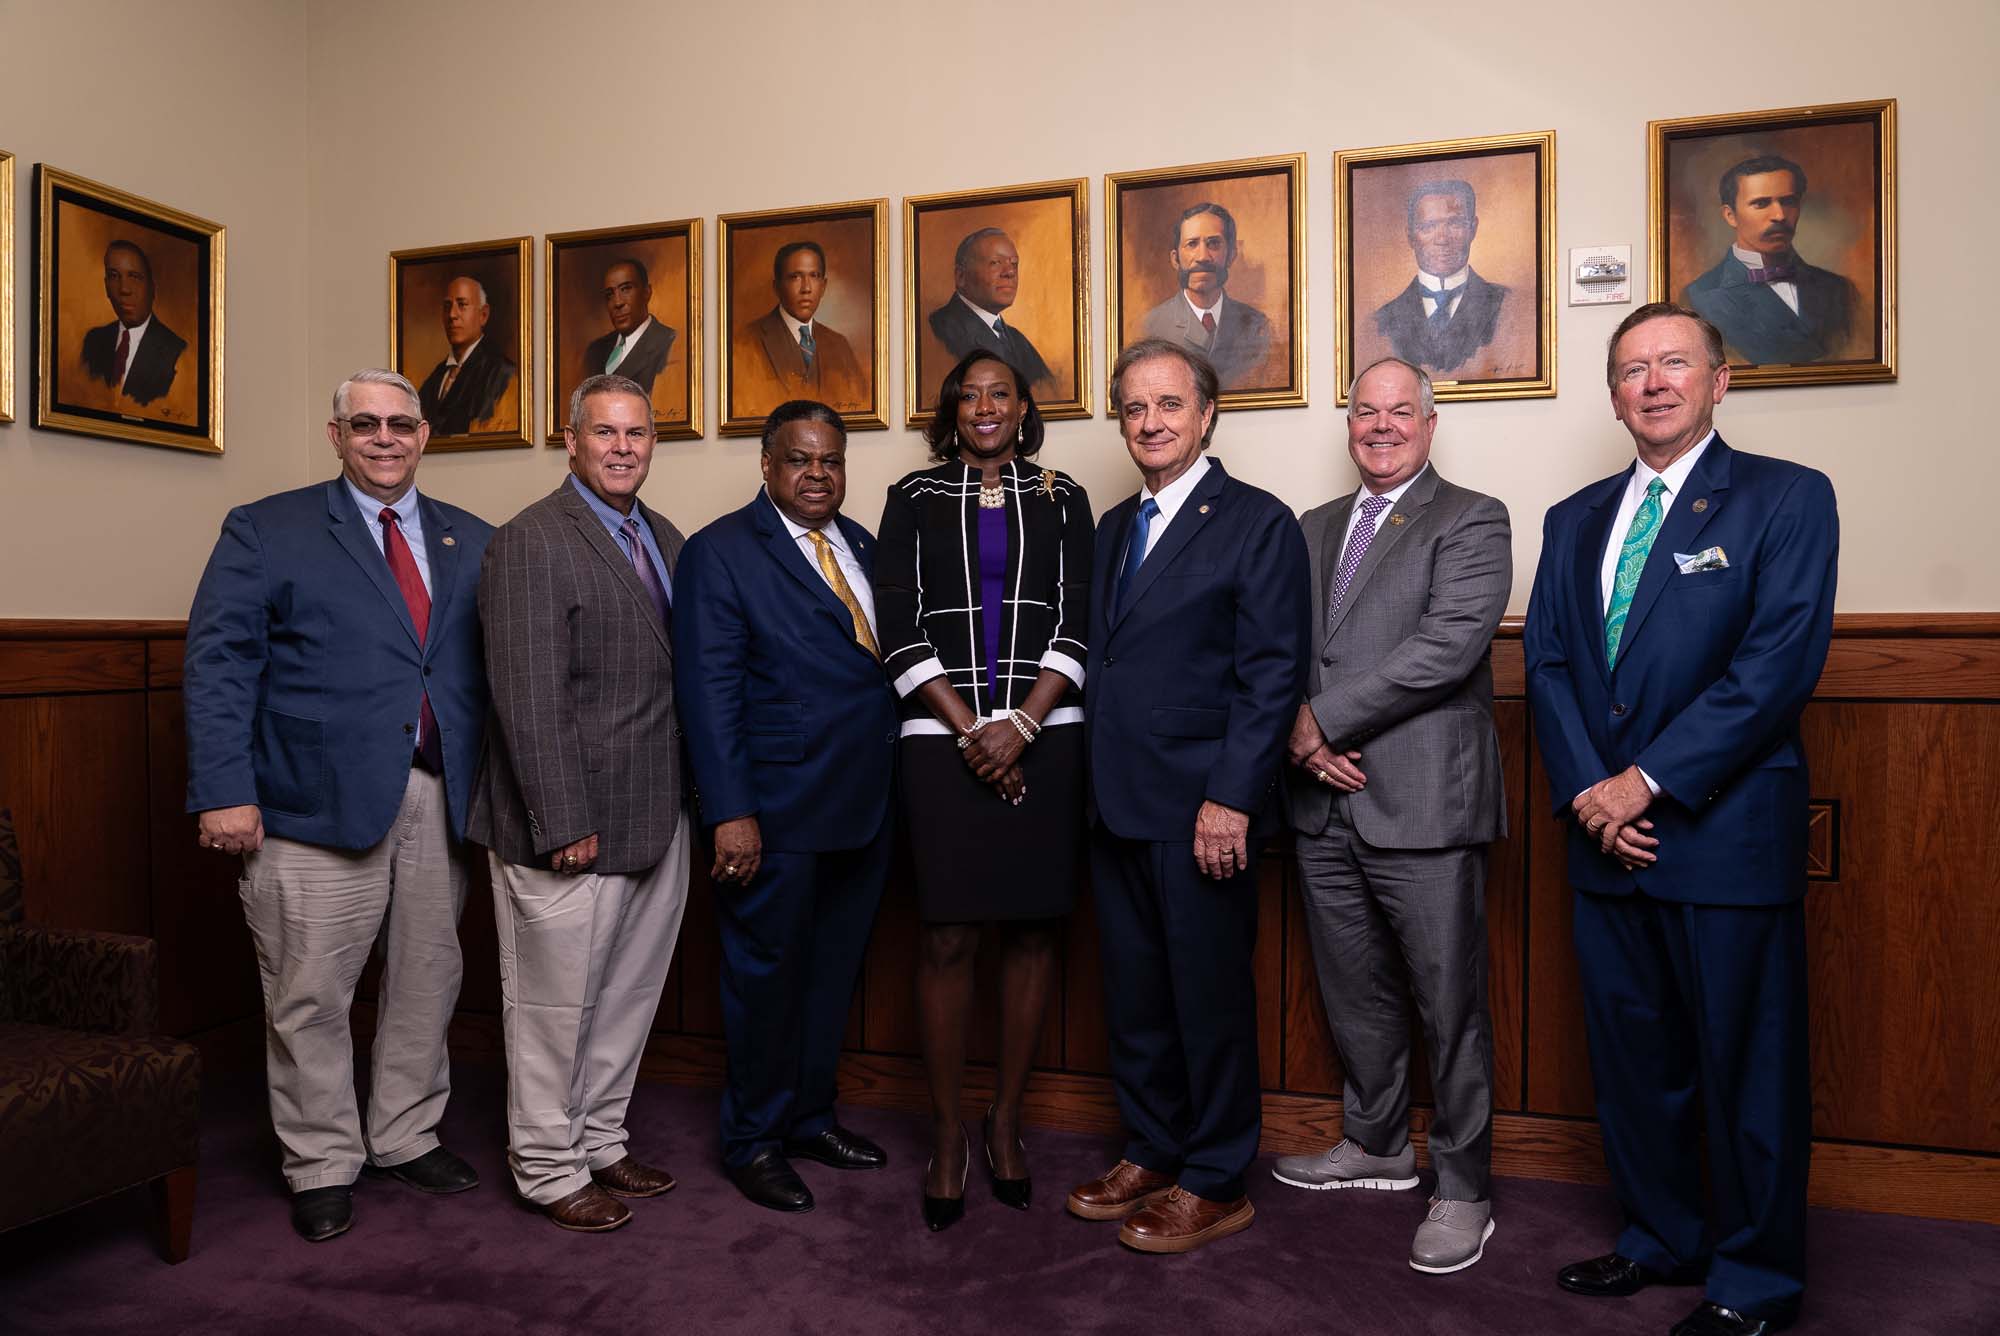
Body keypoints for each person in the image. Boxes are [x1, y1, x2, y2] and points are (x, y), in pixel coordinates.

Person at [1524, 303, 1838, 1336]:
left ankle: (1751, 1282)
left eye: (1671, 363)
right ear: (1610, 393)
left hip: (1721, 835)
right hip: (1601, 838)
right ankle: (1659, 1238)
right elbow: (1550, 667)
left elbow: (1772, 672)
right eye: (1629, 369)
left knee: (1747, 1074)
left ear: (1718, 381)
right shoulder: (1571, 517)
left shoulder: (1785, 499)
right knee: (1634, 1061)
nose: (1650, 383)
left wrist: (1642, 781)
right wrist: (1590, 793)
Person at [183, 368, 492, 1243]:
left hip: (440, 797)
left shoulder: (470, 538)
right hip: (307, 806)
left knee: (428, 979)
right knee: (310, 993)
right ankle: (320, 1160)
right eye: (366, 423)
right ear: (336, 435)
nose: (384, 438)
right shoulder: (266, 529)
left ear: (425, 434)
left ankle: (403, 1134)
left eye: (400, 423)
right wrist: (225, 792)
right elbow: (219, 665)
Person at [1065, 339, 1309, 1254]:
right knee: (1134, 995)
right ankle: (1153, 1147)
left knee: (1206, 998)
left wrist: (1232, 799)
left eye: (1168, 404)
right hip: (1117, 802)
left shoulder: (1256, 521)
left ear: (1207, 415)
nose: (1150, 422)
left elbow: (1272, 673)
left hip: (1204, 808)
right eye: (1133, 408)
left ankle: (1214, 1176)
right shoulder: (1111, 526)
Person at [1271, 357, 1511, 1274]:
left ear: (1429, 421)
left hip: (1423, 801)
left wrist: (1317, 721)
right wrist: (1301, 740)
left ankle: (1463, 1187)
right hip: (1320, 802)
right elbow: (1282, 642)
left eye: (1398, 411)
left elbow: (1445, 649)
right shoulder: (1312, 527)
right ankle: (1375, 1144)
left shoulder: (1472, 517)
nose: (1381, 426)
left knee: (1449, 1005)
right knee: (1353, 989)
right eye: (1365, 412)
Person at [873, 350, 1093, 1231]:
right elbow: (895, 623)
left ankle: (1006, 1123)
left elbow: (1083, 620)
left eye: (1000, 392)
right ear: (950, 410)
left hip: (1049, 737)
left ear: (1024, 407)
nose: (984, 406)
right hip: (941, 742)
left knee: (1035, 933)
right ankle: (950, 1135)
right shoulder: (914, 499)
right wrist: (974, 730)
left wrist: (1024, 727)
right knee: (948, 937)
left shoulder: (1063, 495)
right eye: (969, 394)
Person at [467, 373, 690, 1234]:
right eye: (605, 434)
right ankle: (546, 1165)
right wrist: (563, 822)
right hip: (565, 824)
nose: (623, 448)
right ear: (571, 442)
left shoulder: (663, 536)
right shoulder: (531, 540)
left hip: (656, 813)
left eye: (637, 433)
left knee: (627, 997)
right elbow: (526, 696)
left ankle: (599, 1137)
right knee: (552, 1008)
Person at [674, 400, 898, 1214]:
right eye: (800, 459)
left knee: (830, 977)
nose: (818, 474)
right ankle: (753, 1141)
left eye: (831, 460)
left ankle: (809, 1117)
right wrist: (730, 812)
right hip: (772, 812)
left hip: (864, 806)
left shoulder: (864, 545)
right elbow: (709, 692)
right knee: (765, 982)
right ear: (766, 465)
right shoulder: (721, 553)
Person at [1681, 155, 1860, 366]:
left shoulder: (1838, 289)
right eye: (1761, 203)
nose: (1779, 215)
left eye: (1788, 201)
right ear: (1730, 216)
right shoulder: (1700, 298)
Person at [1371, 180, 1509, 377]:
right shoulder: (1381, 321)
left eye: (1454, 224)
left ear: (1473, 228)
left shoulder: (1507, 306)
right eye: (1428, 227)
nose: (1442, 239)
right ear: (1410, 236)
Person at [1137, 203, 1276, 391]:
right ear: (1175, 259)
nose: (1202, 256)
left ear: (1231, 255)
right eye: (1192, 244)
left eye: (1214, 244)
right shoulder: (1150, 327)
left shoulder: (1257, 326)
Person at [731, 241, 867, 413]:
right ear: (777, 287)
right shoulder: (745, 344)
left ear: (823, 286)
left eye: (814, 276)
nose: (806, 288)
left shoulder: (839, 346)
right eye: (795, 277)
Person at [926, 228, 1055, 389]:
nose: (1010, 272)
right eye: (995, 263)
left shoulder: (1017, 340)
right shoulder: (937, 331)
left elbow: (1050, 393)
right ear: (961, 276)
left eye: (1014, 264)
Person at [80, 240, 186, 406]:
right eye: (114, 276)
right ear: (106, 286)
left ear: (152, 288)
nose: (124, 289)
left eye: (134, 277)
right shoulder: (93, 341)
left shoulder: (177, 353)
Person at [417, 276, 516, 435]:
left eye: (462, 305)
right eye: (447, 306)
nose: (452, 315)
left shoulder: (502, 373)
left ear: (483, 315)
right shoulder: (436, 377)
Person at [581, 258, 677, 396]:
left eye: (626, 289)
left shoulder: (670, 343)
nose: (617, 302)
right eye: (610, 295)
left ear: (647, 292)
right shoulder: (594, 351)